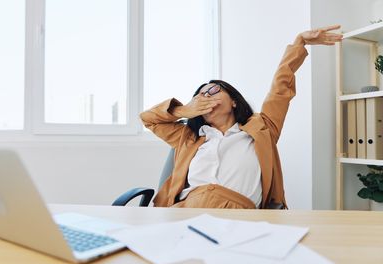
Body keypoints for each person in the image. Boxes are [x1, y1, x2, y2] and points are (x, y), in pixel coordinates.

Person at [141, 25, 343, 209]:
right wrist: (184, 110)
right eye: (200, 95)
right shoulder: (188, 136)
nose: (205, 97)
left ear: (234, 101)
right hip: (187, 211)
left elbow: (280, 89)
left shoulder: (263, 128)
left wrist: (300, 42)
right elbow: (148, 119)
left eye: (213, 91)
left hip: (239, 216)